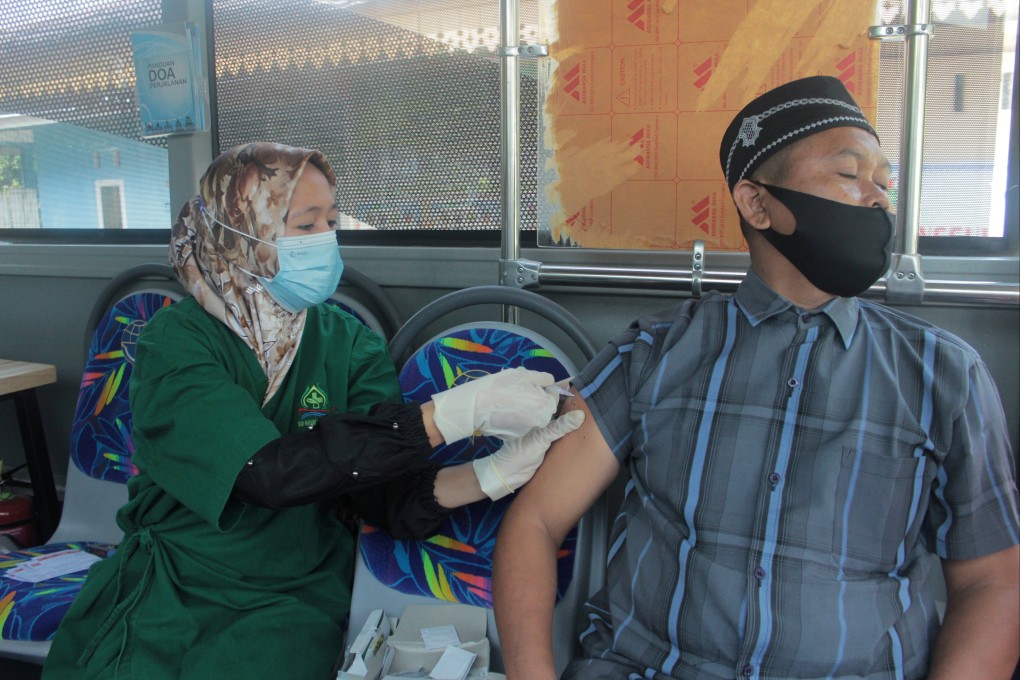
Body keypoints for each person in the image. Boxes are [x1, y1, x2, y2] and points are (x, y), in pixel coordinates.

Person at [493, 76, 1020, 679]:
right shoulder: (652, 352)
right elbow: (535, 521)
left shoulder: (944, 374)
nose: (876, 198)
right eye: (849, 175)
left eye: (884, 181)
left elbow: (992, 582)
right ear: (757, 203)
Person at [42, 142, 584, 680]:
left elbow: (380, 492)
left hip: (292, 591)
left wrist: (487, 475)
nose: (326, 241)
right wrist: (452, 415)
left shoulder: (348, 343)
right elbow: (266, 473)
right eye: (305, 227)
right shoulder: (178, 343)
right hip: (176, 578)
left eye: (331, 222)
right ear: (241, 235)